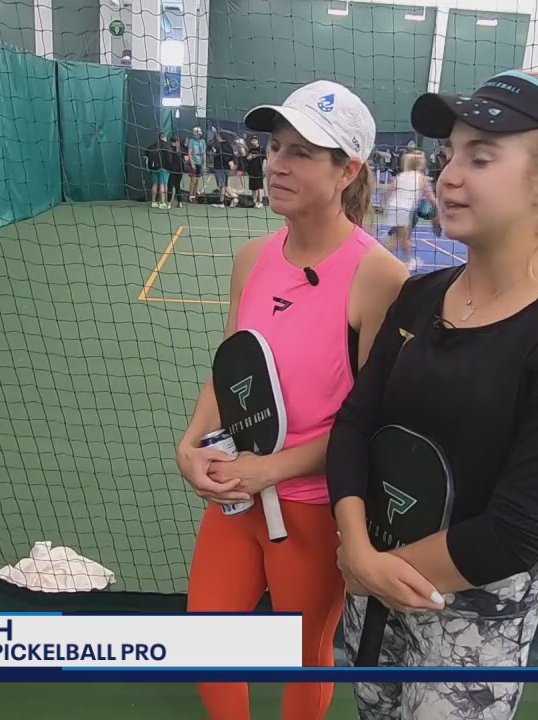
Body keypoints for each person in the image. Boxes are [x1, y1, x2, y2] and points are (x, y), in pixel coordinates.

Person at [328, 68, 538, 719]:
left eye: (481, 157)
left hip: (471, 621)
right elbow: (355, 425)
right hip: (372, 586)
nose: (450, 176)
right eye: (449, 155)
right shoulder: (419, 294)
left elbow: (517, 531)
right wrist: (356, 550)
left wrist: (377, 568)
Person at [176, 81, 408, 720]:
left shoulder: (379, 276)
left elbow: (372, 426)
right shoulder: (251, 259)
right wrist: (192, 444)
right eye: (276, 146)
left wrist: (271, 470)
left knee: (306, 651)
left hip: (313, 509)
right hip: (237, 498)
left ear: (348, 171)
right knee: (207, 642)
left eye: (303, 153)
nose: (276, 164)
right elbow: (231, 372)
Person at [384, 151, 435, 272]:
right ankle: (408, 261)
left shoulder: (401, 176)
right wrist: (438, 207)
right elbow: (430, 196)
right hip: (405, 209)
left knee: (395, 237)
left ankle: (383, 258)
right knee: (406, 238)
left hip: (394, 207)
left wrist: (385, 204)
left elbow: (389, 189)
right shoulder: (420, 177)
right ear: (419, 164)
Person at [145, 133, 169, 209]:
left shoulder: (152, 146)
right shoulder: (166, 146)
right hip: (163, 168)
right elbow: (169, 158)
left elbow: (146, 153)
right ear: (164, 137)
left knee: (154, 184)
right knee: (163, 184)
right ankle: (162, 202)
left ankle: (153, 202)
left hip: (153, 168)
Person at [163, 135, 186, 208]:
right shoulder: (181, 150)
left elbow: (169, 161)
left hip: (172, 171)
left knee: (170, 187)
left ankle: (169, 203)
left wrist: (167, 167)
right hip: (179, 172)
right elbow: (185, 160)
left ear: (171, 142)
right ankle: (180, 203)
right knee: (177, 187)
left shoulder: (170, 150)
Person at [187, 126, 207, 203]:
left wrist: (204, 164)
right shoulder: (191, 141)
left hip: (200, 163)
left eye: (199, 134)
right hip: (193, 163)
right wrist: (192, 164)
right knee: (193, 180)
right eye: (197, 134)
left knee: (197, 181)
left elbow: (203, 153)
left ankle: (194, 196)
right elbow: (189, 153)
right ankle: (190, 196)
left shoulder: (202, 141)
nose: (198, 135)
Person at [245, 135, 266, 208]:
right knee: (253, 187)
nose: (253, 141)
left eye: (255, 140)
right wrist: (249, 157)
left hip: (259, 170)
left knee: (259, 186)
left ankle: (260, 201)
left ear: (257, 141)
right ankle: (254, 201)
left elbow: (265, 159)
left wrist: (264, 168)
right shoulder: (250, 150)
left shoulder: (262, 149)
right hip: (251, 170)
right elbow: (247, 158)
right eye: (252, 140)